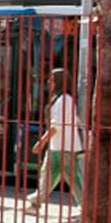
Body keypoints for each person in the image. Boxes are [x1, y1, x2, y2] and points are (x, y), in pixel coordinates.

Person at [25, 68, 85, 215]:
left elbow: (56, 125)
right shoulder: (64, 100)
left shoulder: (64, 100)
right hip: (60, 146)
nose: (48, 81)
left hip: (64, 146)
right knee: (51, 176)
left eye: (51, 78)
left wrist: (41, 142)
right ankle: (35, 203)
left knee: (71, 179)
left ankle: (86, 206)